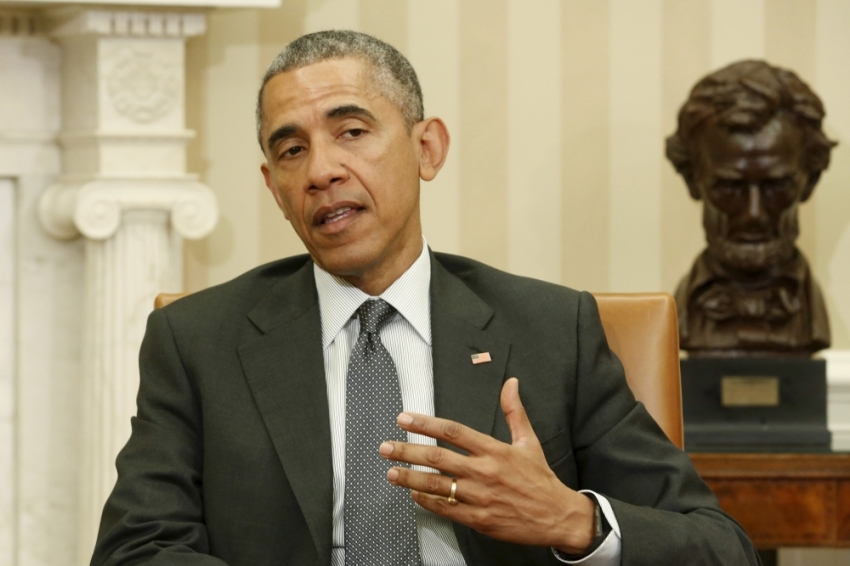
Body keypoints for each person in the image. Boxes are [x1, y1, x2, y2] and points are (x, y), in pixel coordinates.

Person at [91, 31, 761, 565]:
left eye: (351, 131)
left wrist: (570, 519)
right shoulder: (198, 341)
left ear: (426, 148)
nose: (321, 170)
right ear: (273, 186)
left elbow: (719, 546)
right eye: (291, 149)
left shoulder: (554, 330)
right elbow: (136, 549)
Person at [666, 60, 835, 356]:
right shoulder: (678, 315)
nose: (754, 214)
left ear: (810, 181)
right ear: (693, 180)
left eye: (776, 187)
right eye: (729, 187)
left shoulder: (810, 312)